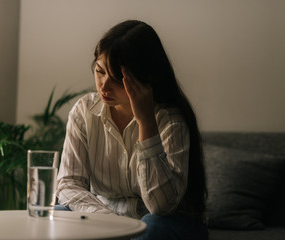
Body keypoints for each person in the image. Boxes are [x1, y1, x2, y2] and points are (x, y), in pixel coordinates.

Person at [56, 19, 208, 240]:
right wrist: (108, 220)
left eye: (117, 80)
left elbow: (161, 207)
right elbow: (69, 184)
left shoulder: (170, 119)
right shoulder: (84, 112)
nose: (103, 86)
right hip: (106, 216)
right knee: (53, 218)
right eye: (99, 71)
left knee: (152, 226)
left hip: (167, 221)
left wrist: (146, 122)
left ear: (145, 79)